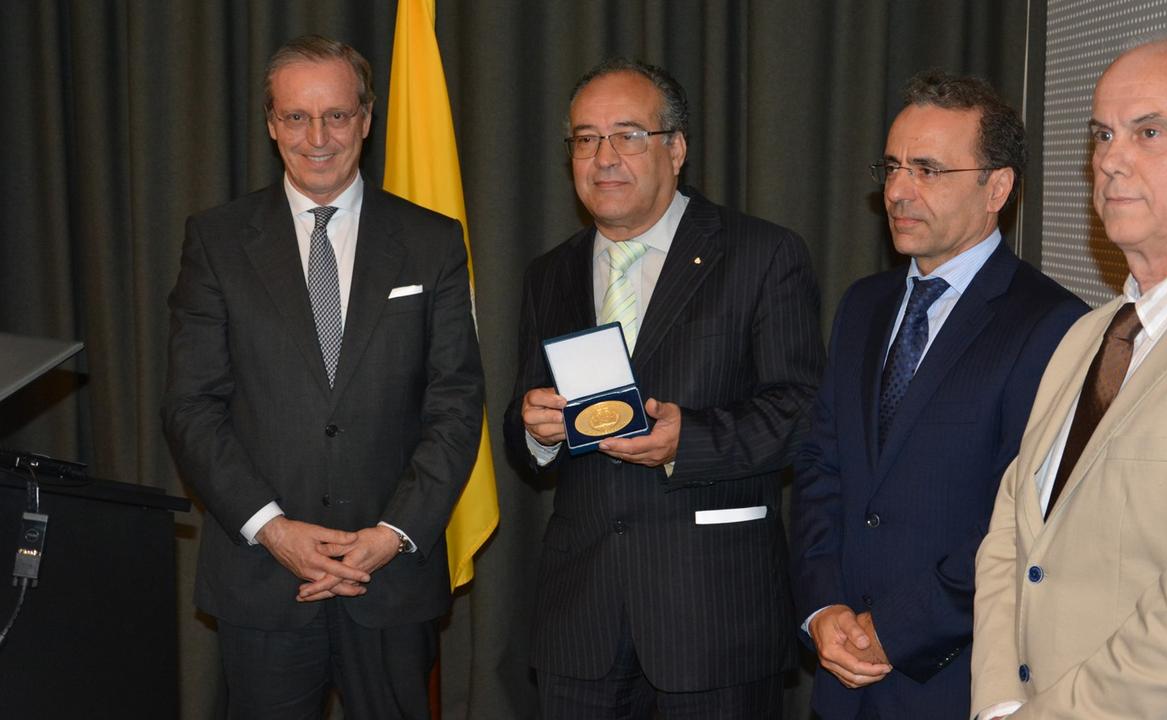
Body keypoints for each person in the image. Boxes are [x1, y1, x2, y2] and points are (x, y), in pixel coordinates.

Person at [161, 35, 484, 718]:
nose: (318, 136)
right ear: (272, 123)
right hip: (262, 578)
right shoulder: (217, 241)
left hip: (391, 580)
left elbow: (455, 403)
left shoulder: (432, 241)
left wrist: (390, 535)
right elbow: (192, 406)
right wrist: (275, 530)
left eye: (336, 115)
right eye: (297, 117)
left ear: (367, 118)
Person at [504, 58, 823, 718]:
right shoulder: (550, 273)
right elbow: (522, 417)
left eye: (627, 135)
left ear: (675, 149)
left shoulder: (761, 255)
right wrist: (533, 431)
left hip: (711, 618)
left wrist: (689, 441)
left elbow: (801, 409)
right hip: (580, 621)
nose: (604, 158)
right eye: (586, 139)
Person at [971, 36, 1167, 719]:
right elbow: (1012, 535)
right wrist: (996, 701)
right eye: (1103, 134)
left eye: (1149, 131)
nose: (1109, 159)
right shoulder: (1090, 334)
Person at [790, 70, 1086, 719]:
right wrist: (823, 608)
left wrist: (894, 631)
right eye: (892, 166)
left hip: (951, 684)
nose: (897, 190)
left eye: (927, 170)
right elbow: (820, 468)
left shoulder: (1053, 324)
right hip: (839, 678)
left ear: (997, 187)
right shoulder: (862, 306)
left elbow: (1023, 523)